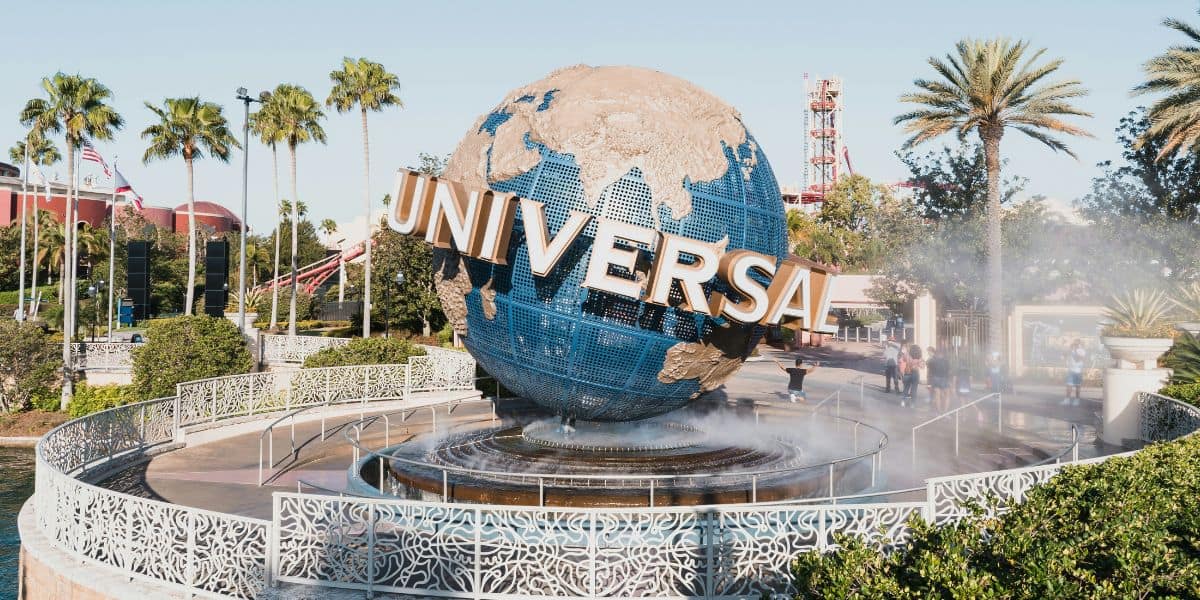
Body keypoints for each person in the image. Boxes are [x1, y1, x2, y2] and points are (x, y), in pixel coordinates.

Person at [927, 346, 951, 412]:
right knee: (947, 395)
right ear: (943, 353)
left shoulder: (932, 361)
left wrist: (929, 382)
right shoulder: (946, 361)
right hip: (944, 379)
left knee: (937, 395)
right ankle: (945, 410)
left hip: (935, 379)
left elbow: (930, 372)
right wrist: (949, 381)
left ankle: (939, 411)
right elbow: (948, 371)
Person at [1062, 339, 1086, 406]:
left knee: (1078, 386)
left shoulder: (1082, 351)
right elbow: (1064, 355)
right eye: (1074, 343)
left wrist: (1074, 351)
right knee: (1069, 385)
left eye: (1077, 344)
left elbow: (1078, 359)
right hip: (1071, 370)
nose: (1075, 345)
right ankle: (1067, 400)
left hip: (1078, 371)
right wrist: (1068, 349)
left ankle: (1077, 400)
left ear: (1079, 344)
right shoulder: (1071, 350)